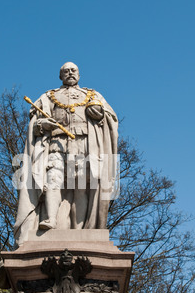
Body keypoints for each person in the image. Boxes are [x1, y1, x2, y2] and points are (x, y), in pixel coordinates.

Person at [14, 62, 118, 245]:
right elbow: (35, 123)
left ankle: (80, 232)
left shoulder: (93, 95)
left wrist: (100, 114)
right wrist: (42, 125)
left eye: (73, 70)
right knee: (53, 179)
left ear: (79, 74)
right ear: (60, 76)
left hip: (84, 145)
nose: (70, 73)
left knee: (80, 187)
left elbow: (111, 117)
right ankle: (51, 219)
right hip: (56, 143)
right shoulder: (48, 96)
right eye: (65, 71)